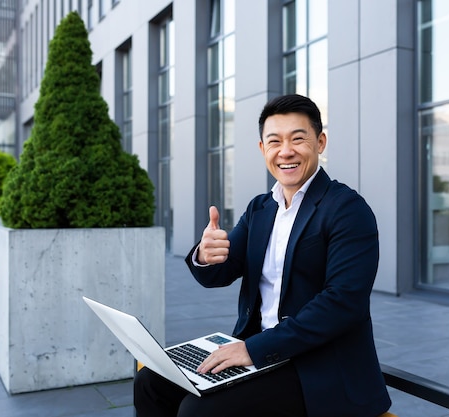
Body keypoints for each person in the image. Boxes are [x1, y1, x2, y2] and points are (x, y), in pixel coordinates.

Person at [134, 94, 392, 417]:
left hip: (317, 367)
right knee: (149, 383)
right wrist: (205, 253)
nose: (286, 151)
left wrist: (252, 349)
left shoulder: (347, 210)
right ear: (262, 149)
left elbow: (342, 304)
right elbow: (222, 272)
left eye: (298, 139)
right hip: (260, 355)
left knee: (197, 412)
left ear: (320, 142)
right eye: (274, 141)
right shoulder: (261, 208)